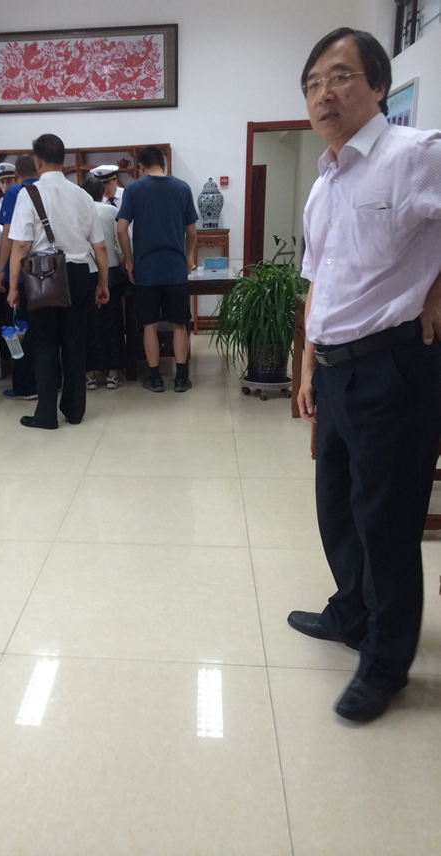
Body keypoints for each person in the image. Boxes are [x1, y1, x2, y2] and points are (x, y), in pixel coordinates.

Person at [291, 27, 441, 722]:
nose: (325, 94)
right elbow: (319, 279)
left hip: (394, 368)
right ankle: (351, 611)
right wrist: (306, 364)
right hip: (335, 370)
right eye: (313, 83)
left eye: (341, 76)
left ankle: (386, 663)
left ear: (379, 86)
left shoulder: (414, 155)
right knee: (338, 507)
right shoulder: (325, 182)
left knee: (387, 522)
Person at [6, 134, 109, 429]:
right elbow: (100, 246)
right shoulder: (82, 195)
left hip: (43, 275)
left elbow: (21, 245)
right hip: (79, 273)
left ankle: (46, 415)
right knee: (75, 343)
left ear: (37, 161)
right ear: (62, 160)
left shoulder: (29, 194)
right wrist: (102, 283)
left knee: (45, 344)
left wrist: (13, 287)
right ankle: (74, 411)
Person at [116, 146, 197, 393]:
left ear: (140, 166)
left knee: (149, 324)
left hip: (146, 270)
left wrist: (130, 260)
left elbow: (121, 229)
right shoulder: (182, 188)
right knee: (179, 324)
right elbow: (192, 232)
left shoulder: (133, 189)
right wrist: (187, 258)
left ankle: (155, 378)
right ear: (163, 163)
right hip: (175, 268)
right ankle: (181, 378)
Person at [0, 154, 39, 401]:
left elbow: (9, 235)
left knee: (21, 330)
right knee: (45, 331)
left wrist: (1, 268)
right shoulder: (47, 190)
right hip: (48, 275)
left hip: (22, 276)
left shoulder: (14, 192)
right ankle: (51, 381)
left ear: (17, 175)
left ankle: (25, 386)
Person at [81, 176, 125, 390]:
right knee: (113, 322)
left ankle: (88, 374)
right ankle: (113, 372)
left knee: (86, 324)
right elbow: (119, 245)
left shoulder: (78, 213)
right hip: (112, 272)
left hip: (85, 273)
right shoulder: (111, 211)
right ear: (102, 193)